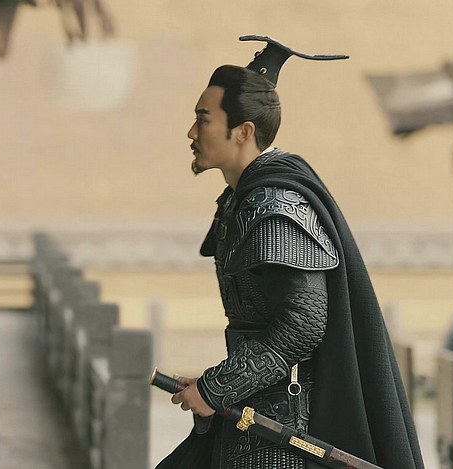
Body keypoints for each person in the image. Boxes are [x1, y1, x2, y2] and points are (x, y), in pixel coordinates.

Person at [156, 35, 424, 469]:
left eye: (203, 119)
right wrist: (212, 386)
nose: (192, 133)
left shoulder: (275, 206)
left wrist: (216, 388)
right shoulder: (243, 198)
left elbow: (302, 323)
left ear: (243, 131)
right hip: (253, 414)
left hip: (284, 432)